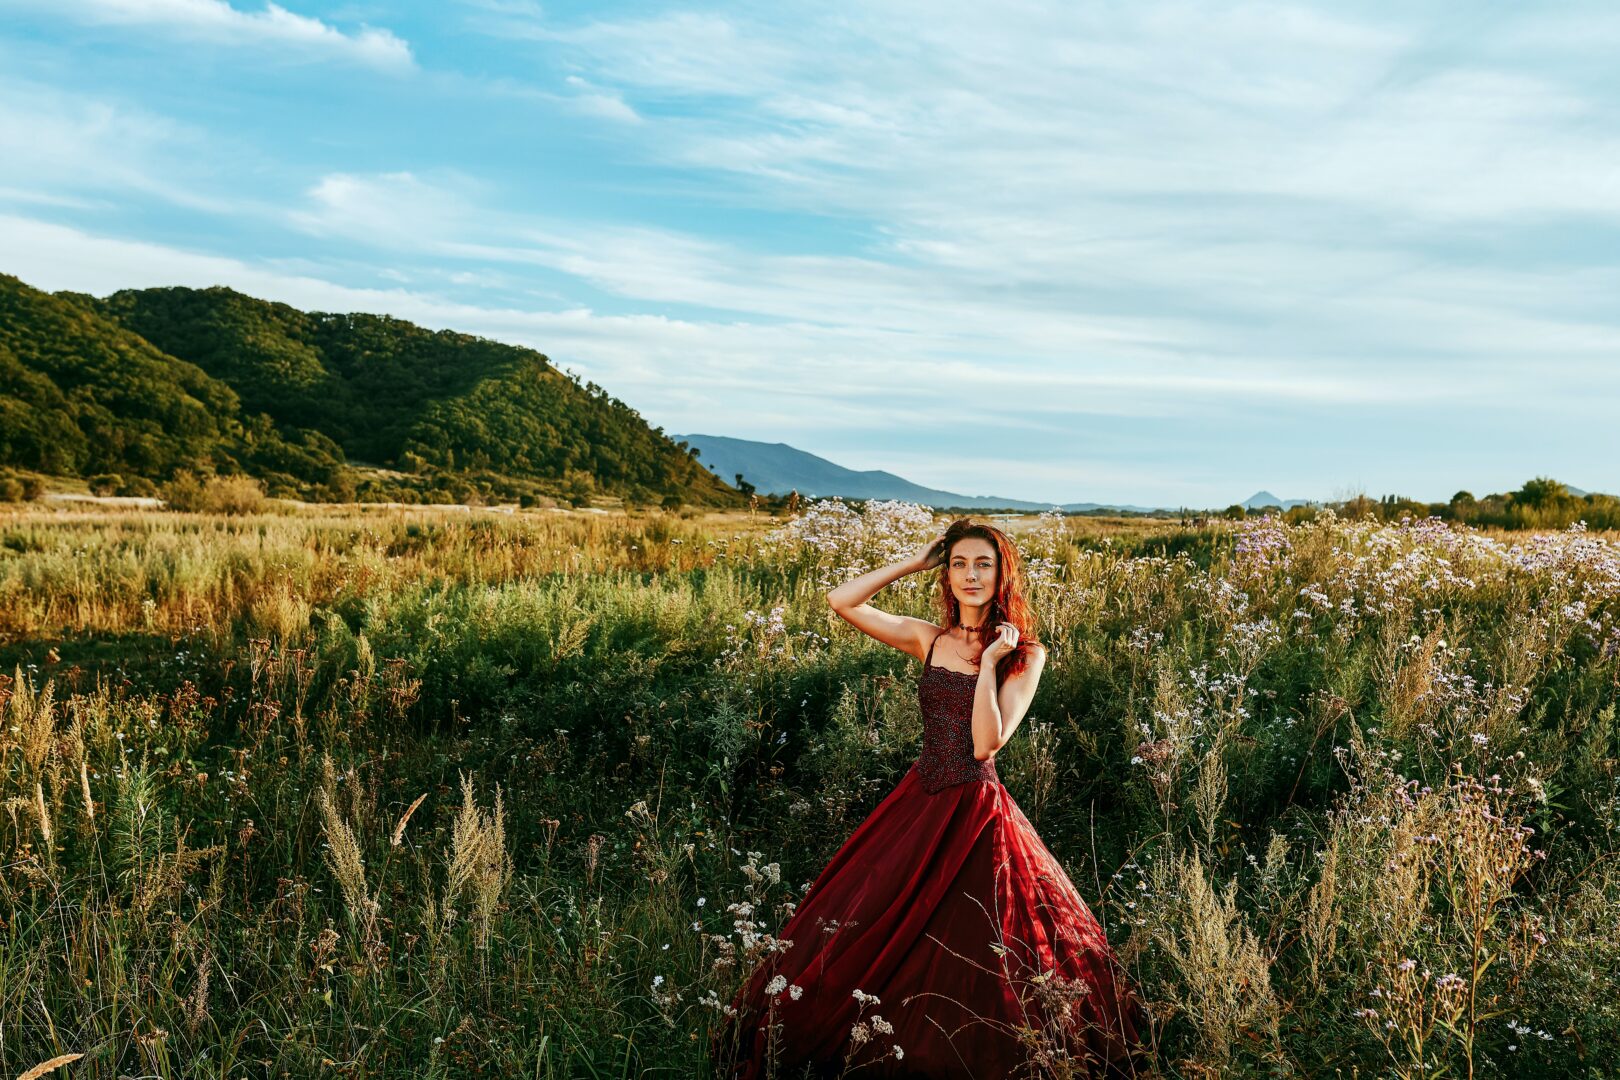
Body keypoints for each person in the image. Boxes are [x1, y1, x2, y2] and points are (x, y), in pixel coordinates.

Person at [712, 518, 1145, 1078]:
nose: (971, 575)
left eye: (983, 564)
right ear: (947, 573)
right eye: (959, 563)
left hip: (977, 811)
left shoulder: (1025, 654)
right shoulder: (931, 639)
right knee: (877, 918)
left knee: (977, 936)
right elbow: (841, 601)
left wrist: (989, 665)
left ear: (1002, 574)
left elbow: (986, 743)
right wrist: (912, 562)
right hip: (919, 801)